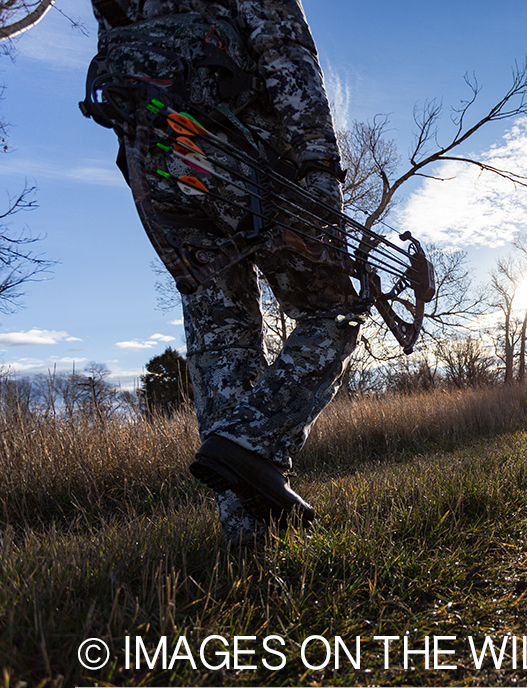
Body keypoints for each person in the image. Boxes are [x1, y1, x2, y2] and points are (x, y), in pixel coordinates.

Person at [89, 0, 360, 545]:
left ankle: (246, 533)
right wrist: (320, 169)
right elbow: (285, 53)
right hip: (244, 154)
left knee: (222, 342)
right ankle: (254, 444)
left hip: (161, 164)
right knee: (335, 309)